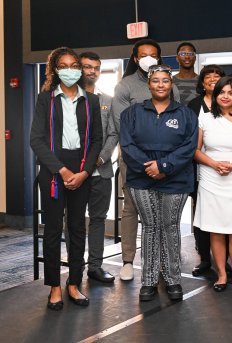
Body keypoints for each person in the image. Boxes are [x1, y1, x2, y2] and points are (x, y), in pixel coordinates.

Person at [30, 47, 102, 310]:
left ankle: (74, 283)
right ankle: (54, 287)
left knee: (77, 229)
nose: (70, 70)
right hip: (53, 169)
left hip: (82, 170)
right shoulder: (45, 99)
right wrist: (61, 170)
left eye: (74, 65)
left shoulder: (91, 101)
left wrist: (84, 172)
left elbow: (96, 140)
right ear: (55, 69)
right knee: (51, 231)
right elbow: (35, 139)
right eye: (64, 65)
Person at [119, 64, 198, 302]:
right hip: (141, 180)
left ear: (171, 84)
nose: (161, 85)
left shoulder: (185, 114)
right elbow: (127, 145)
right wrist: (150, 168)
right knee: (150, 227)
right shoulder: (131, 113)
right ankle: (149, 281)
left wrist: (163, 167)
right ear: (149, 84)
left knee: (170, 226)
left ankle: (173, 279)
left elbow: (189, 147)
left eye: (165, 80)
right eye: (156, 81)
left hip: (176, 180)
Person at [112, 39, 180, 281]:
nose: (148, 58)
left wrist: (162, 163)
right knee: (131, 208)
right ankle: (128, 260)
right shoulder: (125, 86)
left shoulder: (170, 85)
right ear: (135, 58)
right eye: (143, 55)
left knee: (161, 212)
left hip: (164, 163)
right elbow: (123, 128)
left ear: (160, 59)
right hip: (133, 159)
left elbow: (177, 123)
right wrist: (144, 160)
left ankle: (162, 261)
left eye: (153, 55)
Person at [193, 76, 232, 292]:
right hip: (211, 179)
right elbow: (195, 151)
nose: (225, 96)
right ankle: (221, 275)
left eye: (230, 93)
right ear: (216, 95)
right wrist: (213, 163)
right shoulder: (205, 119)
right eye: (222, 92)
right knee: (216, 231)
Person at [79, 51, 117, 283]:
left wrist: (100, 159)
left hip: (100, 172)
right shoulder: (69, 98)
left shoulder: (108, 100)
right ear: (79, 69)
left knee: (98, 219)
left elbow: (113, 133)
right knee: (72, 221)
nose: (92, 71)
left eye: (96, 67)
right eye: (87, 66)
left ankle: (95, 267)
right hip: (74, 173)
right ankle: (75, 266)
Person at [187, 64, 226, 277]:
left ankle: (224, 260)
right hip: (199, 169)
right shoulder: (193, 105)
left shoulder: (231, 104)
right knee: (201, 215)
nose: (212, 79)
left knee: (223, 214)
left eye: (217, 76)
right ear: (202, 83)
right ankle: (204, 259)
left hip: (226, 169)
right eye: (208, 77)